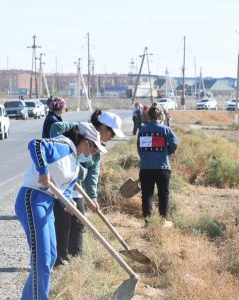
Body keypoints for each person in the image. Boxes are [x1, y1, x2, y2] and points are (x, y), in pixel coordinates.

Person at [14, 122, 106, 300]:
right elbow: (36, 144)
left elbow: (64, 191)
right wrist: (43, 170)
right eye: (95, 148)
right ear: (86, 142)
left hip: (47, 203)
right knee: (41, 259)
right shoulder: (63, 145)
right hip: (32, 199)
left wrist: (69, 203)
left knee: (50, 256)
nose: (95, 152)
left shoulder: (75, 163)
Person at [49, 109, 125, 265]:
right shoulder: (78, 131)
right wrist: (78, 126)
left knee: (79, 223)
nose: (112, 138)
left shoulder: (98, 150)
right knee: (63, 224)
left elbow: (92, 174)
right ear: (103, 128)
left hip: (76, 189)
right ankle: (59, 262)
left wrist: (92, 197)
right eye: (112, 134)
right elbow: (54, 129)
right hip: (60, 187)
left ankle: (76, 261)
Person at [137, 104, 179, 226]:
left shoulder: (142, 129)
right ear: (161, 116)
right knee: (163, 194)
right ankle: (162, 220)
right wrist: (168, 152)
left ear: (148, 116)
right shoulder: (165, 129)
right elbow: (174, 143)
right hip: (163, 167)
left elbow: (139, 148)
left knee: (146, 195)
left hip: (146, 168)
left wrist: (145, 158)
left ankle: (147, 222)